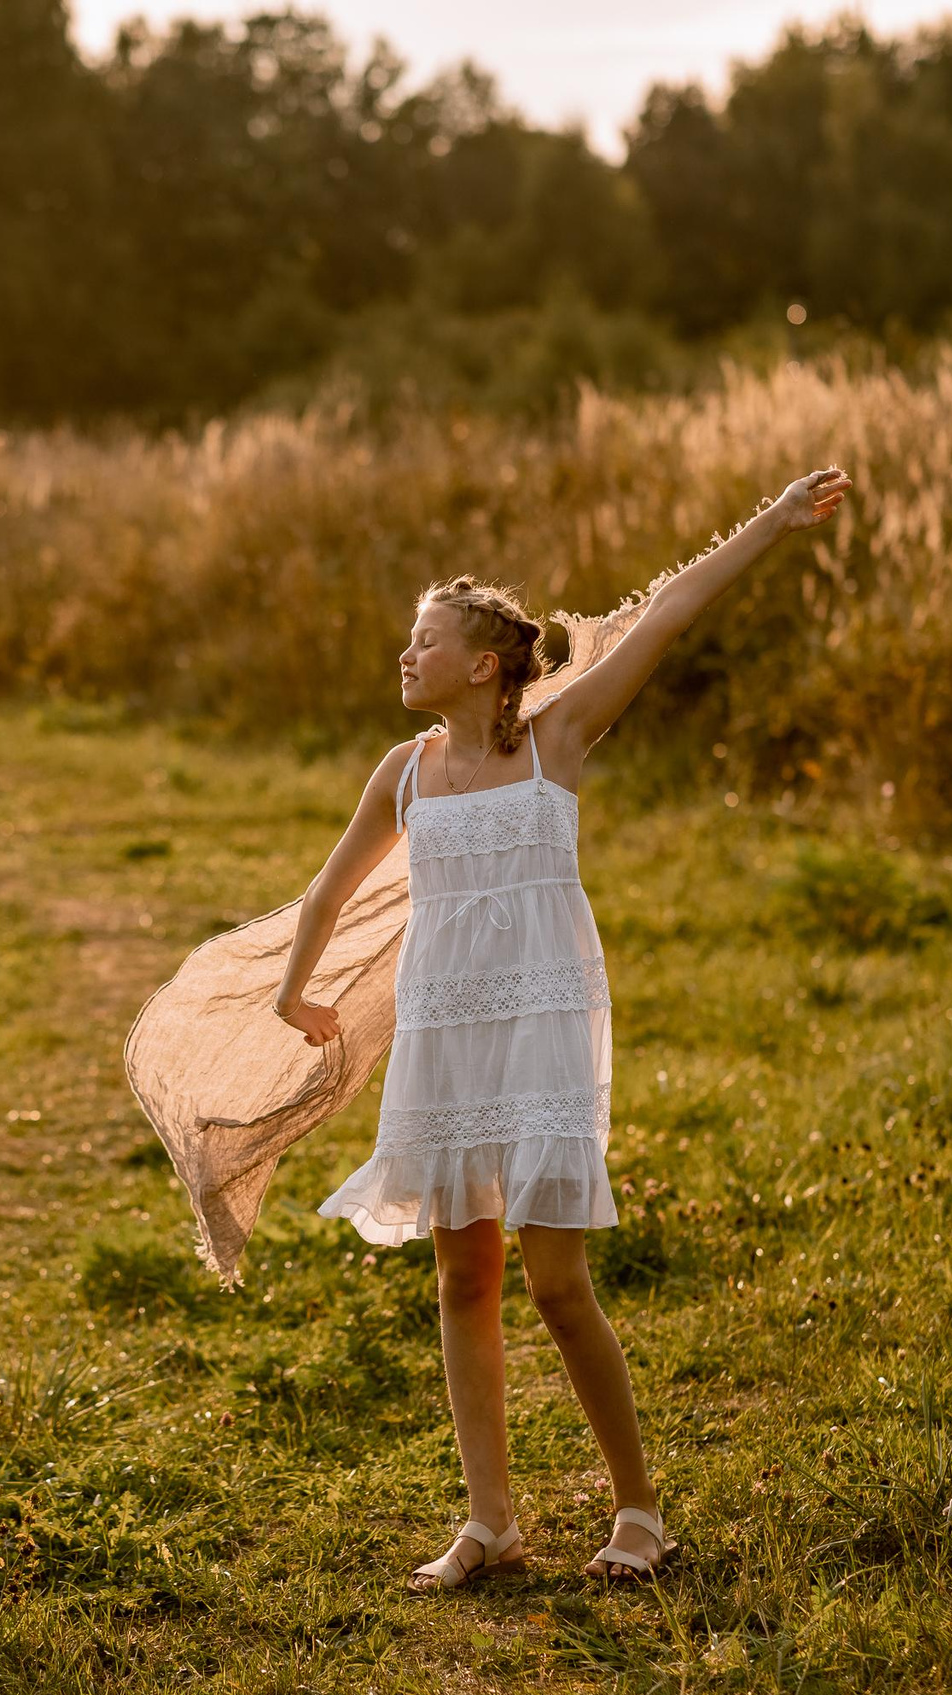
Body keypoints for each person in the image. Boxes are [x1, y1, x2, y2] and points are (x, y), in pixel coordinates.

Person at [267, 467, 852, 1592]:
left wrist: (772, 525)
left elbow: (669, 611)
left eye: (423, 641)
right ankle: (490, 1523)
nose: (405, 657)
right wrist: (295, 990)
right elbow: (329, 892)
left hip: (539, 1024)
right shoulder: (401, 774)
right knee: (460, 1279)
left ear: (483, 663)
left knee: (554, 1284)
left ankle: (638, 1510)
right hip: (445, 1036)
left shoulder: (556, 738)